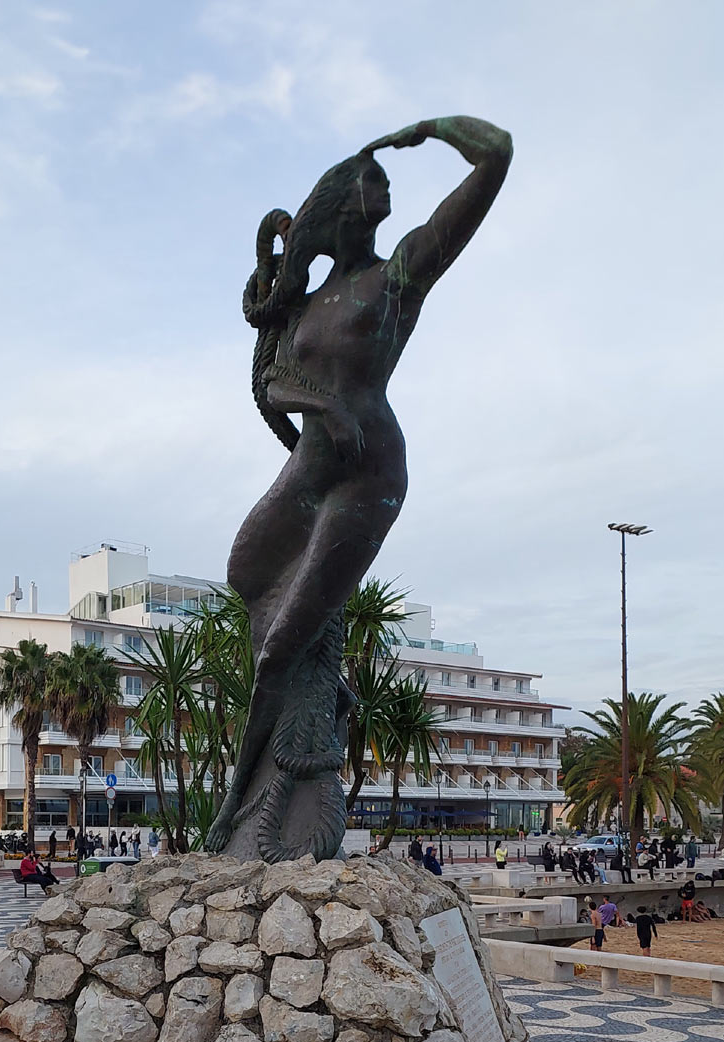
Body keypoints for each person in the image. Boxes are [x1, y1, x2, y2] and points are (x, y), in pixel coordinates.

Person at [203, 114, 514, 859]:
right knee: (248, 574)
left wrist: (431, 130)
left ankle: (236, 811)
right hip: (311, 468)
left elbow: (496, 154)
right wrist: (323, 405)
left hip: (367, 476)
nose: (386, 187)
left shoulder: (400, 274)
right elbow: (273, 381)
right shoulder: (305, 304)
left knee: (282, 646)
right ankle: (319, 705)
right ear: (343, 205)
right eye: (373, 179)